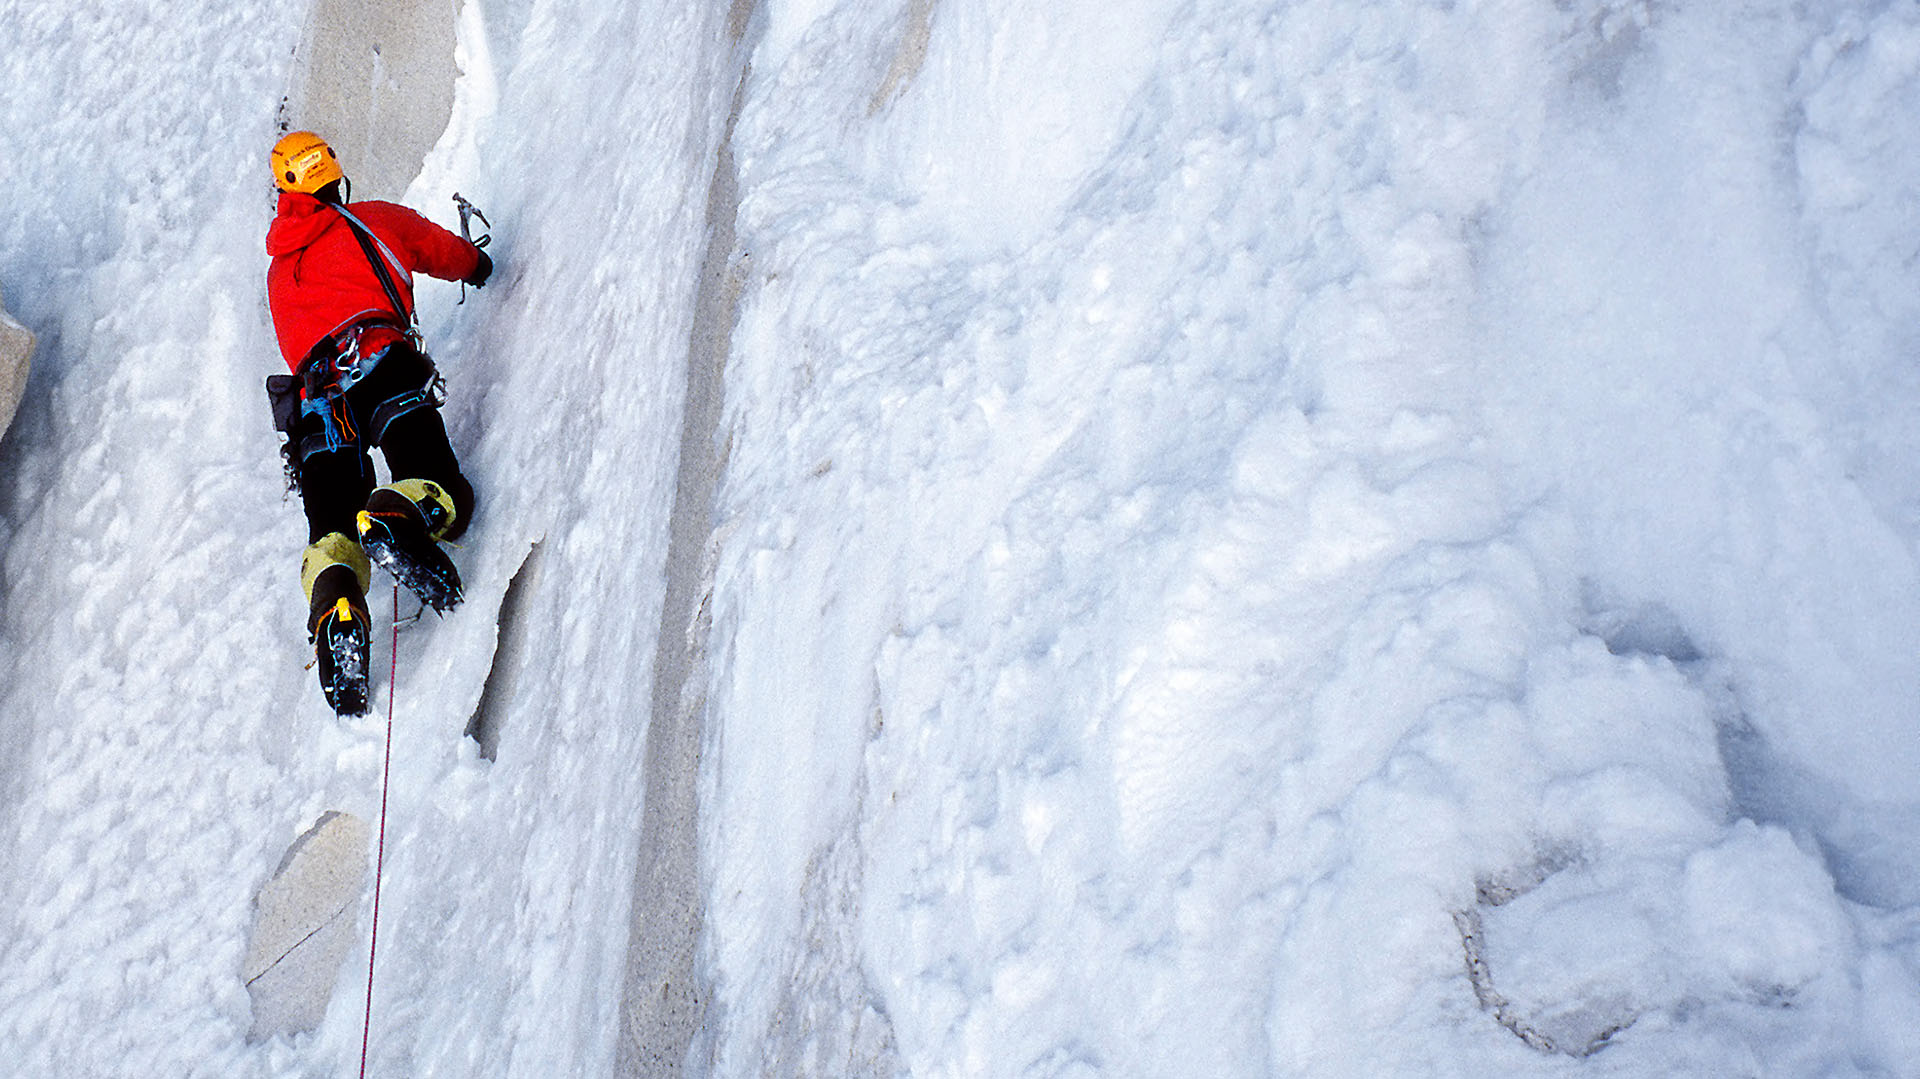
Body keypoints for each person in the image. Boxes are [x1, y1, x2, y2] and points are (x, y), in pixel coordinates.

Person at [265, 130, 493, 715]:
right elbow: (442, 251)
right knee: (445, 489)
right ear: (333, 173)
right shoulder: (371, 221)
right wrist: (480, 265)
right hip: (380, 366)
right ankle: (399, 514)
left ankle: (337, 604)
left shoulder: (279, 273)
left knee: (332, 530)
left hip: (316, 405)